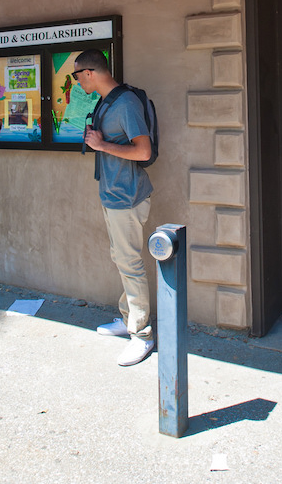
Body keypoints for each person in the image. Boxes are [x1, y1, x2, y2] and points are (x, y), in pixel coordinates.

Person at [75, 49, 155, 367]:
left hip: (128, 197)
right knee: (123, 260)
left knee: (130, 263)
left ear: (91, 72)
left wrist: (101, 145)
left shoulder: (125, 104)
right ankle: (129, 319)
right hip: (113, 194)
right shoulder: (107, 102)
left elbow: (143, 151)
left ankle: (143, 335)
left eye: (77, 74)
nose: (76, 80)